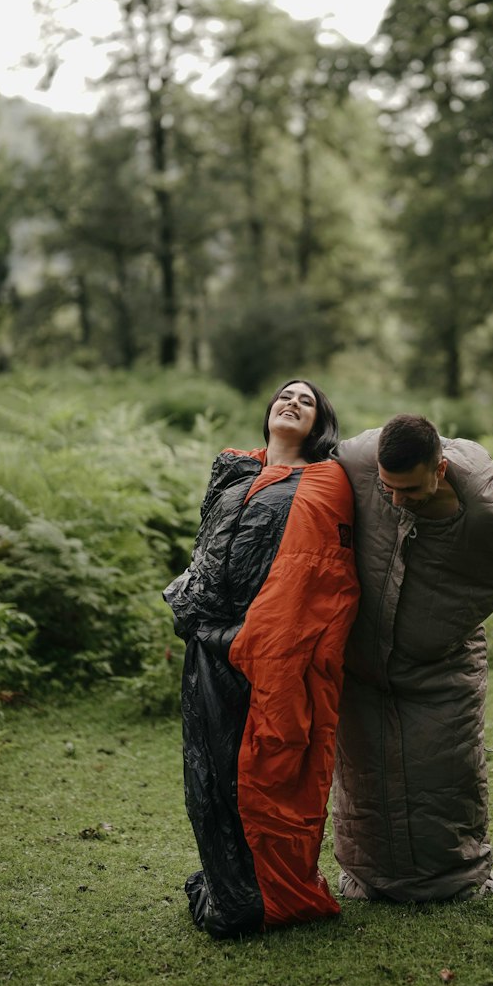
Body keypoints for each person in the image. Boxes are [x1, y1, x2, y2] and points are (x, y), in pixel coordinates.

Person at [163, 379, 359, 939]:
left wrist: (252, 639)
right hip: (209, 641)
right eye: (284, 395)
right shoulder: (234, 472)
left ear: (319, 423)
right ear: (269, 410)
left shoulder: (326, 483)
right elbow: (205, 549)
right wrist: (197, 618)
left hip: (271, 649)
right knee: (212, 770)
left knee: (269, 766)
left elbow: (318, 576)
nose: (292, 402)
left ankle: (267, 894)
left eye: (307, 400)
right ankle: (229, 883)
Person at [332, 413, 493, 902]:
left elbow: (489, 579)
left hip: (441, 666)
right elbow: (314, 469)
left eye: (411, 490)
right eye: (390, 490)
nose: (398, 500)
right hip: (364, 667)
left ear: (439, 469)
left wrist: (426, 641)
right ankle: (370, 878)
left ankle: (456, 880)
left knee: (445, 774)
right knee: (365, 776)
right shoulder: (361, 458)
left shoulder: (484, 514)